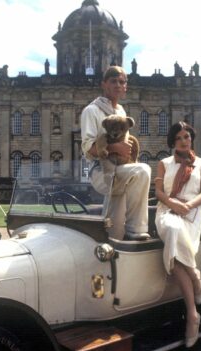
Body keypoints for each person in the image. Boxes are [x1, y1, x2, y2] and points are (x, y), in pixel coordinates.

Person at [154, 122, 201, 347]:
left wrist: (188, 206)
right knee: (173, 230)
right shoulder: (164, 163)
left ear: (191, 139)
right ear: (172, 142)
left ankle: (192, 315)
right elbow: (158, 192)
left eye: (186, 136)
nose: (184, 141)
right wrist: (173, 204)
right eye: (178, 138)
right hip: (167, 211)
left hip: (192, 213)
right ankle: (195, 277)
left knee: (175, 258)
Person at [81, 66, 151, 240]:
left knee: (114, 230)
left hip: (121, 169)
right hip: (101, 171)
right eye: (113, 81)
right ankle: (136, 230)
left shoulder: (121, 112)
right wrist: (113, 148)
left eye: (122, 82)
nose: (118, 85)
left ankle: (111, 242)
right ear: (104, 84)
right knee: (142, 171)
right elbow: (88, 149)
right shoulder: (92, 110)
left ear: (126, 86)